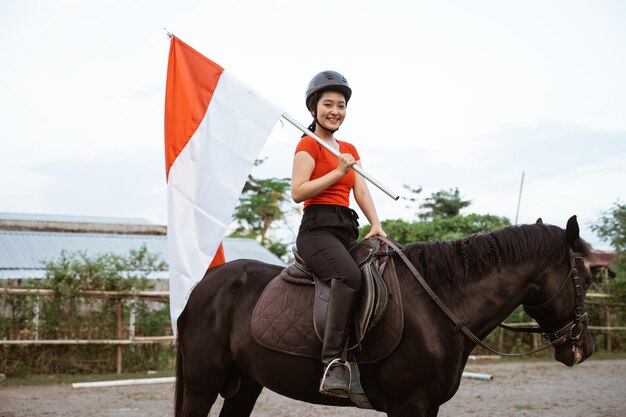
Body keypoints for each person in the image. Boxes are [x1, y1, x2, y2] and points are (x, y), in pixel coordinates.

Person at [291, 70, 387, 398]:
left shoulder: (348, 148)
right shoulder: (308, 144)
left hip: (347, 228)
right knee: (348, 277)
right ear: (314, 107)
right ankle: (333, 362)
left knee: (380, 273)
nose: (335, 111)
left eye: (341, 105)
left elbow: (360, 191)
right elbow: (298, 192)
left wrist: (376, 223)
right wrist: (337, 171)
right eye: (328, 104)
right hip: (317, 230)